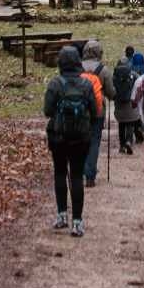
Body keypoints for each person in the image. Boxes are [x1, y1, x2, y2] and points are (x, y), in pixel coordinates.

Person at [43, 44, 100, 236]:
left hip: (58, 137)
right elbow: (95, 112)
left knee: (60, 173)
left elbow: (47, 111)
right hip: (81, 138)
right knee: (76, 176)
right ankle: (77, 222)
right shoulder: (86, 84)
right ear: (77, 61)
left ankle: (61, 216)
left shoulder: (55, 83)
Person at [81, 37, 116, 187]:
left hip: (79, 110)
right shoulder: (103, 70)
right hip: (97, 111)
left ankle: (81, 170)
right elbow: (111, 93)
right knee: (94, 141)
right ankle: (90, 175)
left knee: (81, 140)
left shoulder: (78, 67)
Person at [113, 45, 138, 154]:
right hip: (129, 102)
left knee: (121, 124)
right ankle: (129, 141)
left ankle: (122, 145)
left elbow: (111, 89)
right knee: (130, 123)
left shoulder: (114, 77)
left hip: (119, 103)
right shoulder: (133, 74)